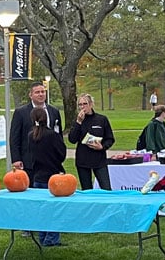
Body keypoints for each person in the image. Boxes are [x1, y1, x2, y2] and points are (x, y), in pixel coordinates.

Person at [27, 107, 67, 247]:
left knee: (42, 209)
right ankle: (52, 238)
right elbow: (61, 153)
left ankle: (42, 236)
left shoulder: (31, 136)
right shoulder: (52, 135)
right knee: (54, 209)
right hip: (53, 176)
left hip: (38, 176)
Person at [9, 82, 63, 176]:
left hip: (50, 162)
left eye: (43, 92)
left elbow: (58, 135)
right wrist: (16, 159)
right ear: (31, 95)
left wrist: (59, 156)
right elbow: (14, 137)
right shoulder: (21, 112)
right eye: (37, 92)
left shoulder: (53, 111)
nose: (41, 94)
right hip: (29, 162)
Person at [68, 93, 114, 190]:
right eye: (80, 105)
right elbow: (72, 139)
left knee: (106, 188)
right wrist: (79, 122)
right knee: (87, 190)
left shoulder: (101, 119)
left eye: (85, 104)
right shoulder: (78, 120)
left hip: (99, 160)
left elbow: (110, 138)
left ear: (91, 104)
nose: (82, 107)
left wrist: (102, 147)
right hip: (83, 160)